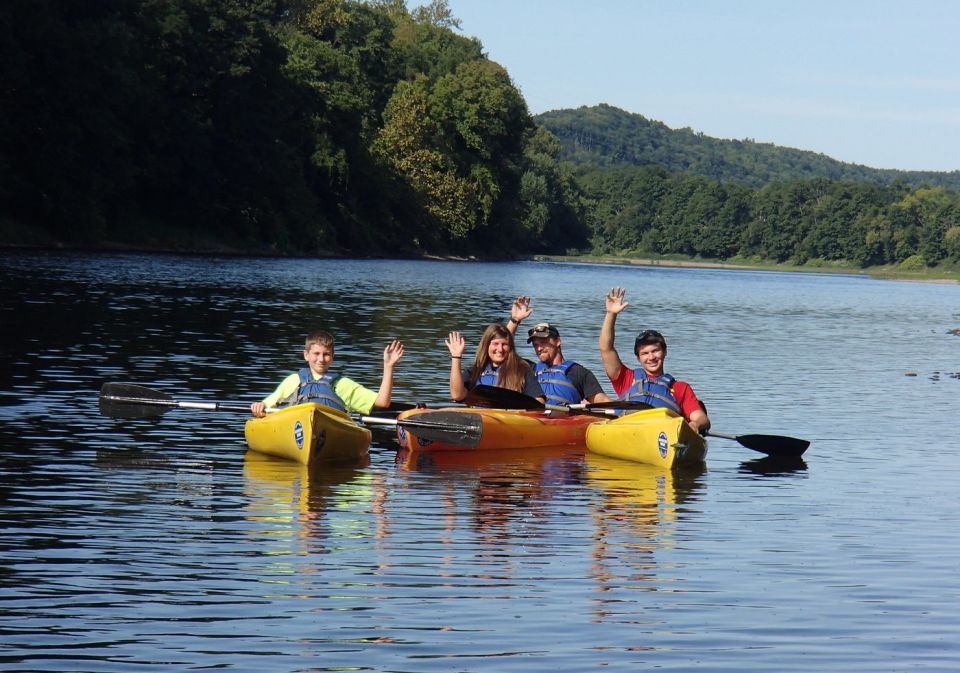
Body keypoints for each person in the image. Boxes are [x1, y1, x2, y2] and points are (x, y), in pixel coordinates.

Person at [598, 287, 710, 434]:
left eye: (655, 351)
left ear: (664, 352)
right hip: (627, 431)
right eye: (645, 353)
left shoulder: (681, 388)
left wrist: (695, 424)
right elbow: (606, 348)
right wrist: (611, 314)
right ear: (638, 358)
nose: (651, 357)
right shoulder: (626, 378)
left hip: (660, 436)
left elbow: (702, 418)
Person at [250, 330, 404, 417]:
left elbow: (383, 403)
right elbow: (266, 404)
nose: (321, 359)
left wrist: (388, 366)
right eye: (316, 354)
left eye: (326, 354)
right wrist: (259, 407)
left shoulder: (343, 385)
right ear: (306, 355)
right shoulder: (292, 381)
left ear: (333, 357)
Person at [503, 296, 612, 406]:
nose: (539, 348)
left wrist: (624, 412)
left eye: (543, 342)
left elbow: (602, 401)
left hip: (564, 420)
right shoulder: (529, 369)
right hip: (532, 418)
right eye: (535, 345)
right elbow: (502, 352)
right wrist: (514, 320)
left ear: (558, 341)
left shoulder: (578, 373)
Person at [446, 322, 545, 403]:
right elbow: (457, 395)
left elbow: (539, 402)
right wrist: (456, 357)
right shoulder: (475, 371)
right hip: (481, 417)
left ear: (510, 347)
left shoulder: (522, 370)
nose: (500, 349)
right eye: (495, 344)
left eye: (504, 344)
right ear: (486, 346)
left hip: (509, 421)